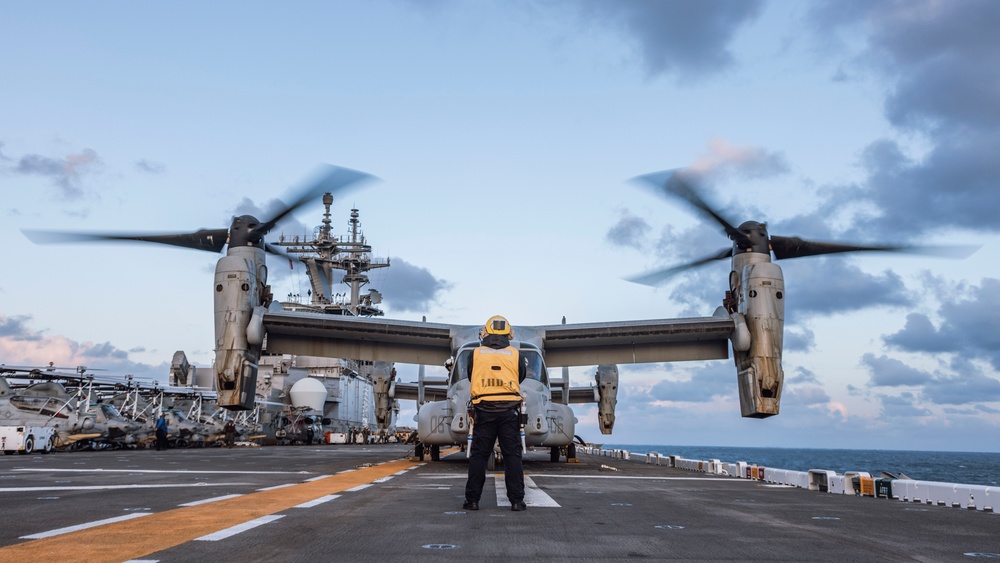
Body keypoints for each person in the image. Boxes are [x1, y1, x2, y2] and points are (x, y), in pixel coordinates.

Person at [464, 315, 528, 512]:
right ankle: (517, 501)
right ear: (508, 334)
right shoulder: (515, 354)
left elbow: (470, 375)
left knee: (479, 456)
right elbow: (522, 375)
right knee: (512, 456)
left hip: (483, 410)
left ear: (486, 333)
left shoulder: (475, 354)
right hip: (509, 411)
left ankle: (473, 500)